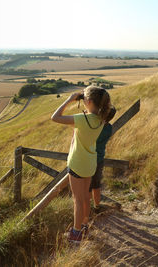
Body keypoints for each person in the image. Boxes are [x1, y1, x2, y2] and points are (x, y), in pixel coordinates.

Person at [51, 85, 111, 244]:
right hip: (90, 163)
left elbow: (55, 117)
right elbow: (95, 110)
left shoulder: (81, 119)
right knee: (86, 197)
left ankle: (76, 233)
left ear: (89, 101)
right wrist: (86, 100)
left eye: (85, 98)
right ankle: (84, 225)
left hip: (77, 163)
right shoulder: (101, 117)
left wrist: (70, 99)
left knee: (77, 199)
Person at [90, 106, 117, 212]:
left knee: (88, 186)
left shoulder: (97, 127)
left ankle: (87, 209)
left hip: (90, 158)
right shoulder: (109, 128)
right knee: (96, 185)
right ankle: (96, 206)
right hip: (99, 159)